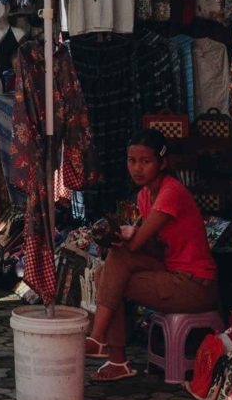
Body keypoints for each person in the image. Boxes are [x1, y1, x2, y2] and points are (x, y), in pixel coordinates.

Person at [87, 129, 219, 381]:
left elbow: (137, 245)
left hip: (195, 285)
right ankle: (107, 350)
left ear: (162, 162)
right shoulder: (144, 196)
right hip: (171, 272)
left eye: (145, 162)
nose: (137, 168)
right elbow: (155, 247)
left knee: (112, 275)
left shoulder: (172, 192)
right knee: (110, 267)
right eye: (132, 161)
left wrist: (129, 235)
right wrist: (121, 239)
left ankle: (102, 343)